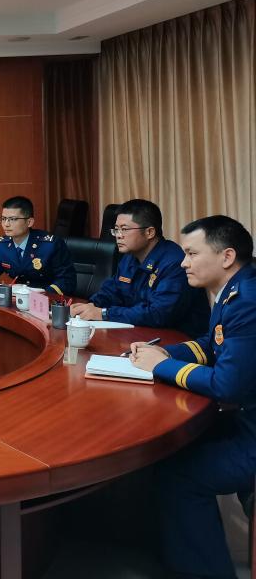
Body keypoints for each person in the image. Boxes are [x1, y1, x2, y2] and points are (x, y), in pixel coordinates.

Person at [129, 216, 256, 578]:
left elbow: (226, 385)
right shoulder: (235, 289)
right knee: (168, 447)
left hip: (250, 431)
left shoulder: (247, 301)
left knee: (180, 475)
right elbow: (213, 344)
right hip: (244, 417)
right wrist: (166, 353)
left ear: (226, 256)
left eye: (191, 253)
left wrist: (161, 367)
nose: (183, 262)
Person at [71, 199, 208, 334]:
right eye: (116, 230)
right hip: (139, 331)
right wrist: (91, 306)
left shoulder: (174, 263)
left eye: (124, 229)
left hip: (178, 338)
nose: (118, 236)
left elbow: (159, 314)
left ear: (150, 232)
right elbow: (112, 291)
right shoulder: (130, 257)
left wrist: (104, 313)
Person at [0, 195, 77, 295]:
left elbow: (67, 280)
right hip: (17, 300)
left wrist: (42, 296)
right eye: (3, 219)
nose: (6, 224)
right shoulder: (1, 245)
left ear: (29, 222)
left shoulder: (50, 245)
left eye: (13, 219)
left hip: (46, 301)